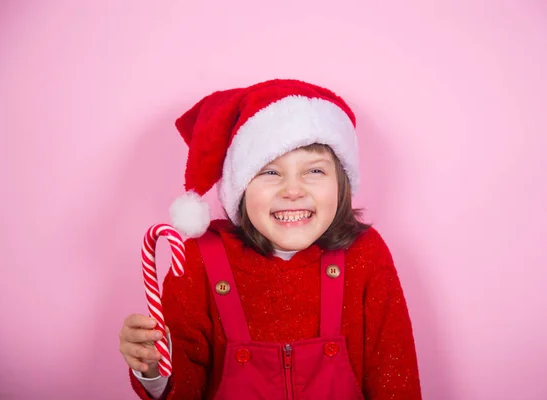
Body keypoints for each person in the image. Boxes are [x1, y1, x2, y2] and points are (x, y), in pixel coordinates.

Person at [118, 79, 422, 399]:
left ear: (341, 183)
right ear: (241, 188)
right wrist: (154, 369)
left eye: (314, 171)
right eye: (270, 172)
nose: (293, 190)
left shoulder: (364, 254)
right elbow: (185, 389)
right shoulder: (201, 258)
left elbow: (396, 379)